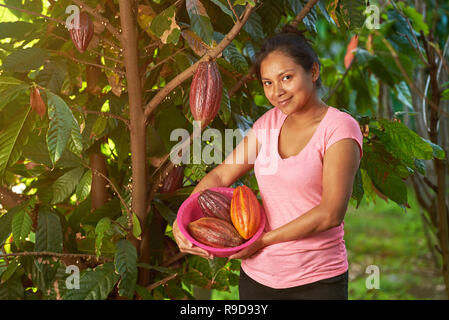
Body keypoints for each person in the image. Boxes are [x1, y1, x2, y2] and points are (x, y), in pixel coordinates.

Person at [172, 27, 363, 300]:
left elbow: (330, 213)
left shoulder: (339, 128)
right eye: (267, 83)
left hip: (316, 280)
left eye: (286, 78)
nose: (277, 92)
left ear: (313, 72)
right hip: (257, 279)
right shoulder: (268, 124)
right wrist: (183, 220)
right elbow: (222, 174)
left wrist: (262, 241)